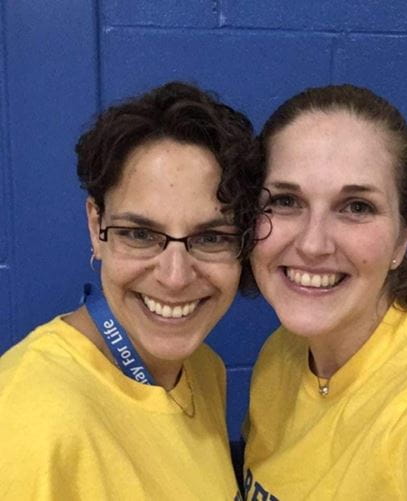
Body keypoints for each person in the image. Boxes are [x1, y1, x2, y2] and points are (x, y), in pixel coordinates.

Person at [0, 81, 258, 499]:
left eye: (211, 238)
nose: (175, 277)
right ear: (95, 227)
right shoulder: (26, 423)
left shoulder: (204, 369)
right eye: (140, 233)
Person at [243, 84, 407, 500]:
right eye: (287, 200)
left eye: (357, 207)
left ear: (404, 236)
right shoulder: (280, 354)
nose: (313, 244)